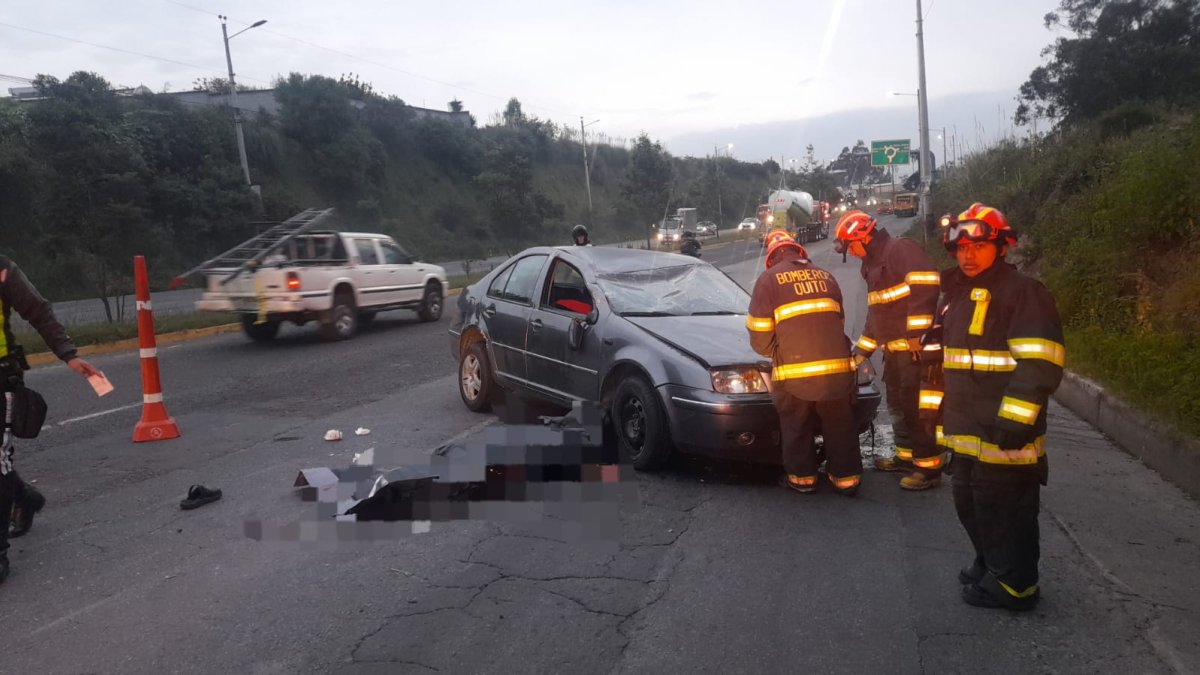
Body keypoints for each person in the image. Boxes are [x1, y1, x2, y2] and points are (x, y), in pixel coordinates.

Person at [925, 203, 1064, 610]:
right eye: (962, 248)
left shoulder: (1024, 294)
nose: (968, 256)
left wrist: (1016, 420)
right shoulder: (956, 294)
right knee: (971, 503)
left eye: (978, 247)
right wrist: (935, 413)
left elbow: (1040, 363)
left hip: (1005, 432)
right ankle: (991, 563)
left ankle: (1016, 586)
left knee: (1006, 509)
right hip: (967, 429)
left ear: (1002, 247)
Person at [0, 255, 100, 586]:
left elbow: (38, 310)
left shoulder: (2, 269)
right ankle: (25, 498)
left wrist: (68, 355)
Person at [834, 210, 943, 491]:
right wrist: (862, 352)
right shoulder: (870, 265)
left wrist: (917, 333)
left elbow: (926, 285)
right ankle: (906, 456)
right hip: (895, 353)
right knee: (898, 406)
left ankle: (928, 467)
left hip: (915, 351)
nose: (851, 253)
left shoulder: (899, 249)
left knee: (917, 408)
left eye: (851, 246)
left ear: (863, 237)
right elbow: (876, 316)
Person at [747, 229, 861, 495]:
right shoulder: (826, 276)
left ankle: (803, 479)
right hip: (837, 373)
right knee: (840, 425)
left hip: (795, 374)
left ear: (772, 257)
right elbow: (838, 323)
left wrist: (779, 351)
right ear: (799, 251)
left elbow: (760, 338)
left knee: (795, 425)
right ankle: (847, 480)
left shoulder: (769, 279)